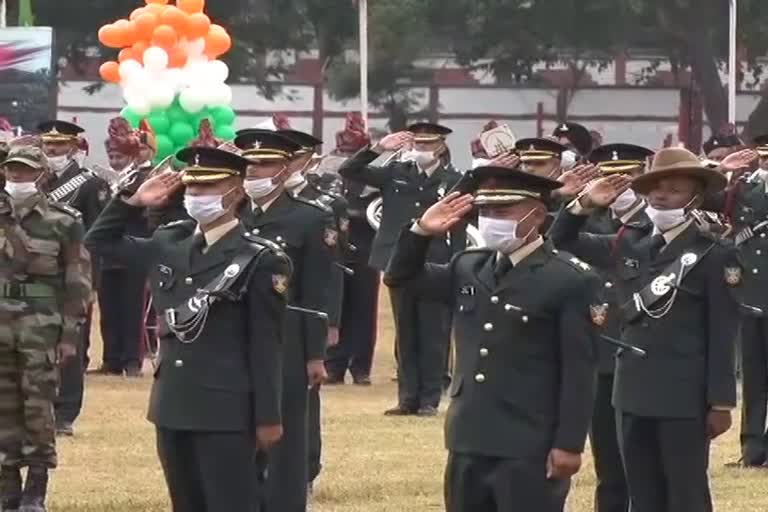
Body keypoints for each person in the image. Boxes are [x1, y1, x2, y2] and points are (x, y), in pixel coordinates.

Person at [384, 163, 600, 512]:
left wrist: (569, 443)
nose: (491, 219)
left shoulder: (569, 278)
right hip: (469, 435)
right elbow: (401, 279)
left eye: (502, 211)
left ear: (537, 213)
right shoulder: (468, 265)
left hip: (529, 440)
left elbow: (579, 371)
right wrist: (421, 232)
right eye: (485, 211)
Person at [84, 146, 287, 512]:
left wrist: (268, 417)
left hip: (227, 408)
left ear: (235, 191)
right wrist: (131, 202)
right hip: (172, 404)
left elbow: (266, 344)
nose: (196, 196)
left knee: (232, 503)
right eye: (191, 188)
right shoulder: (169, 241)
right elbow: (98, 243)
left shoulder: (260, 257)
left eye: (208, 188)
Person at [549, 147, 741, 512]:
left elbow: (722, 332)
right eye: (654, 187)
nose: (660, 195)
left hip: (683, 392)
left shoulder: (713, 252)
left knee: (686, 492)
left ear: (695, 196)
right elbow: (562, 241)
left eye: (673, 189)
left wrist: (720, 401)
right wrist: (583, 204)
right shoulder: (630, 240)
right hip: (631, 388)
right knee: (641, 491)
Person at [235, 129, 336, 512]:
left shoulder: (309, 218)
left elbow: (316, 293)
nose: (254, 171)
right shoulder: (233, 211)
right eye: (249, 164)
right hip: (235, 336)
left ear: (284, 169)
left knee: (287, 436)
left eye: (265, 164)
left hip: (288, 339)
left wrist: (315, 354)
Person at [339, 122, 467, 416]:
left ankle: (429, 398)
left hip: (437, 258)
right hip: (399, 259)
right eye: (417, 145)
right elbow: (350, 170)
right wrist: (379, 148)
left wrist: (458, 258)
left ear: (441, 146)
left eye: (427, 145)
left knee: (434, 331)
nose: (421, 150)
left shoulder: (454, 180)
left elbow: (460, 223)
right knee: (405, 330)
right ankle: (407, 397)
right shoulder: (396, 173)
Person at [563, 143, 655, 512]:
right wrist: (578, 203)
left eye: (628, 176)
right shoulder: (586, 220)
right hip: (599, 350)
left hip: (648, 355)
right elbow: (557, 239)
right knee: (609, 464)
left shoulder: (659, 220)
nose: (618, 184)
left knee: (649, 464)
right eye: (607, 177)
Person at [0, 145, 91, 512]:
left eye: (24, 172)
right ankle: (7, 485)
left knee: (38, 406)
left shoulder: (63, 220)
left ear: (41, 175)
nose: (16, 178)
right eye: (11, 171)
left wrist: (70, 335)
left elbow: (78, 281)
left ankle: (36, 485)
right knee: (3, 407)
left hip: (42, 324)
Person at [37, 120, 108, 436]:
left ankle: (65, 412)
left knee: (71, 343)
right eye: (48, 144)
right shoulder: (34, 179)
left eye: (59, 145)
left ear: (73, 147)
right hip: (36, 274)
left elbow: (98, 233)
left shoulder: (89, 184)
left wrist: (88, 279)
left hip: (71, 274)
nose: (52, 150)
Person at [325, 113, 380, 386]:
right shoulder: (325, 167)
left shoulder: (376, 171)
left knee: (364, 308)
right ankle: (334, 364)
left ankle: (361, 366)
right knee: (336, 305)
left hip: (366, 243)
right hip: (334, 244)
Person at [95, 118, 150, 379]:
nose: (114, 161)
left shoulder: (143, 179)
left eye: (119, 156)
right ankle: (111, 359)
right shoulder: (104, 181)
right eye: (111, 156)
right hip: (108, 253)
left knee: (132, 309)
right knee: (109, 309)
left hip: (134, 249)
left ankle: (132, 361)